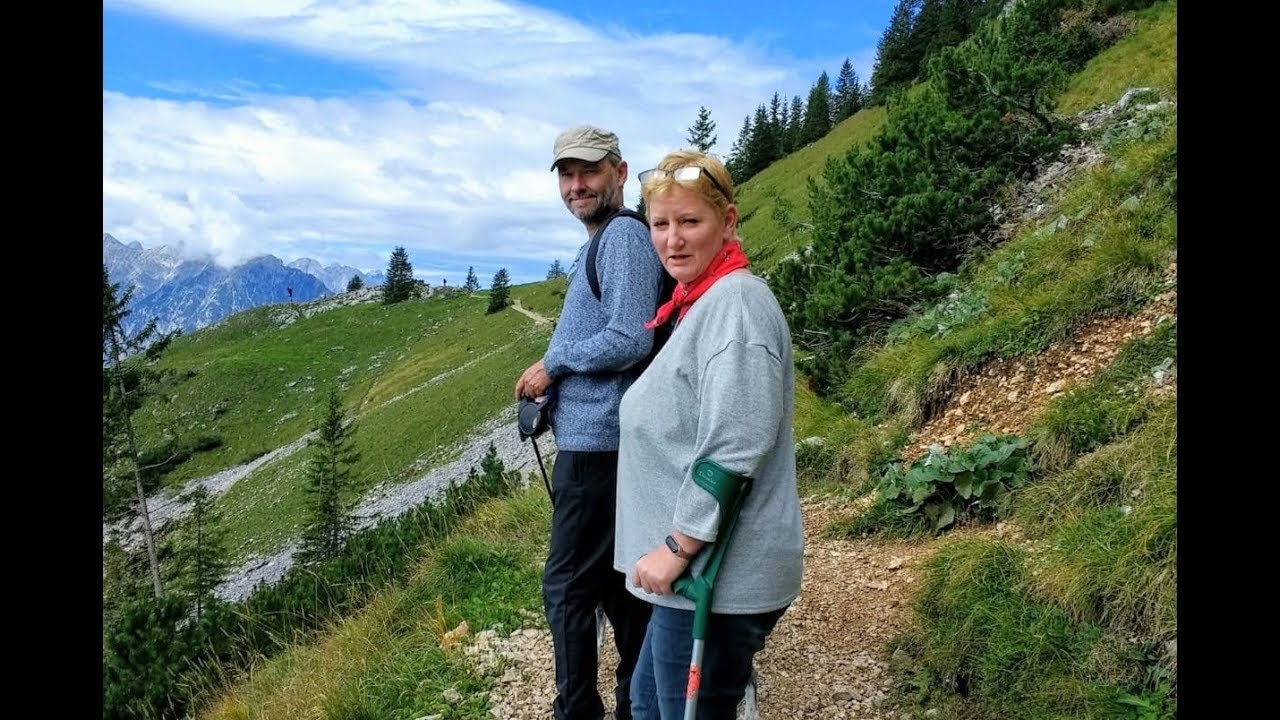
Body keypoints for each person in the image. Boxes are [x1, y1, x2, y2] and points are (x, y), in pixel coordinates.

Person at [615, 150, 804, 719]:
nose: (672, 239)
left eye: (689, 222)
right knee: (647, 704)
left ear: (728, 222)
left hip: (714, 580)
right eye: (660, 224)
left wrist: (679, 546)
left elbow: (736, 444)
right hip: (692, 581)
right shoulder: (700, 303)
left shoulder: (736, 306)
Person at [515, 125, 666, 720]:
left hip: (600, 446)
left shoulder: (623, 238)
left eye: (590, 172)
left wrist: (553, 364)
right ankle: (638, 702)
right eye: (567, 174)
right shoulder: (605, 240)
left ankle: (577, 710)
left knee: (568, 588)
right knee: (612, 585)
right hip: (606, 443)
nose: (577, 185)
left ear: (620, 174)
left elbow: (631, 336)